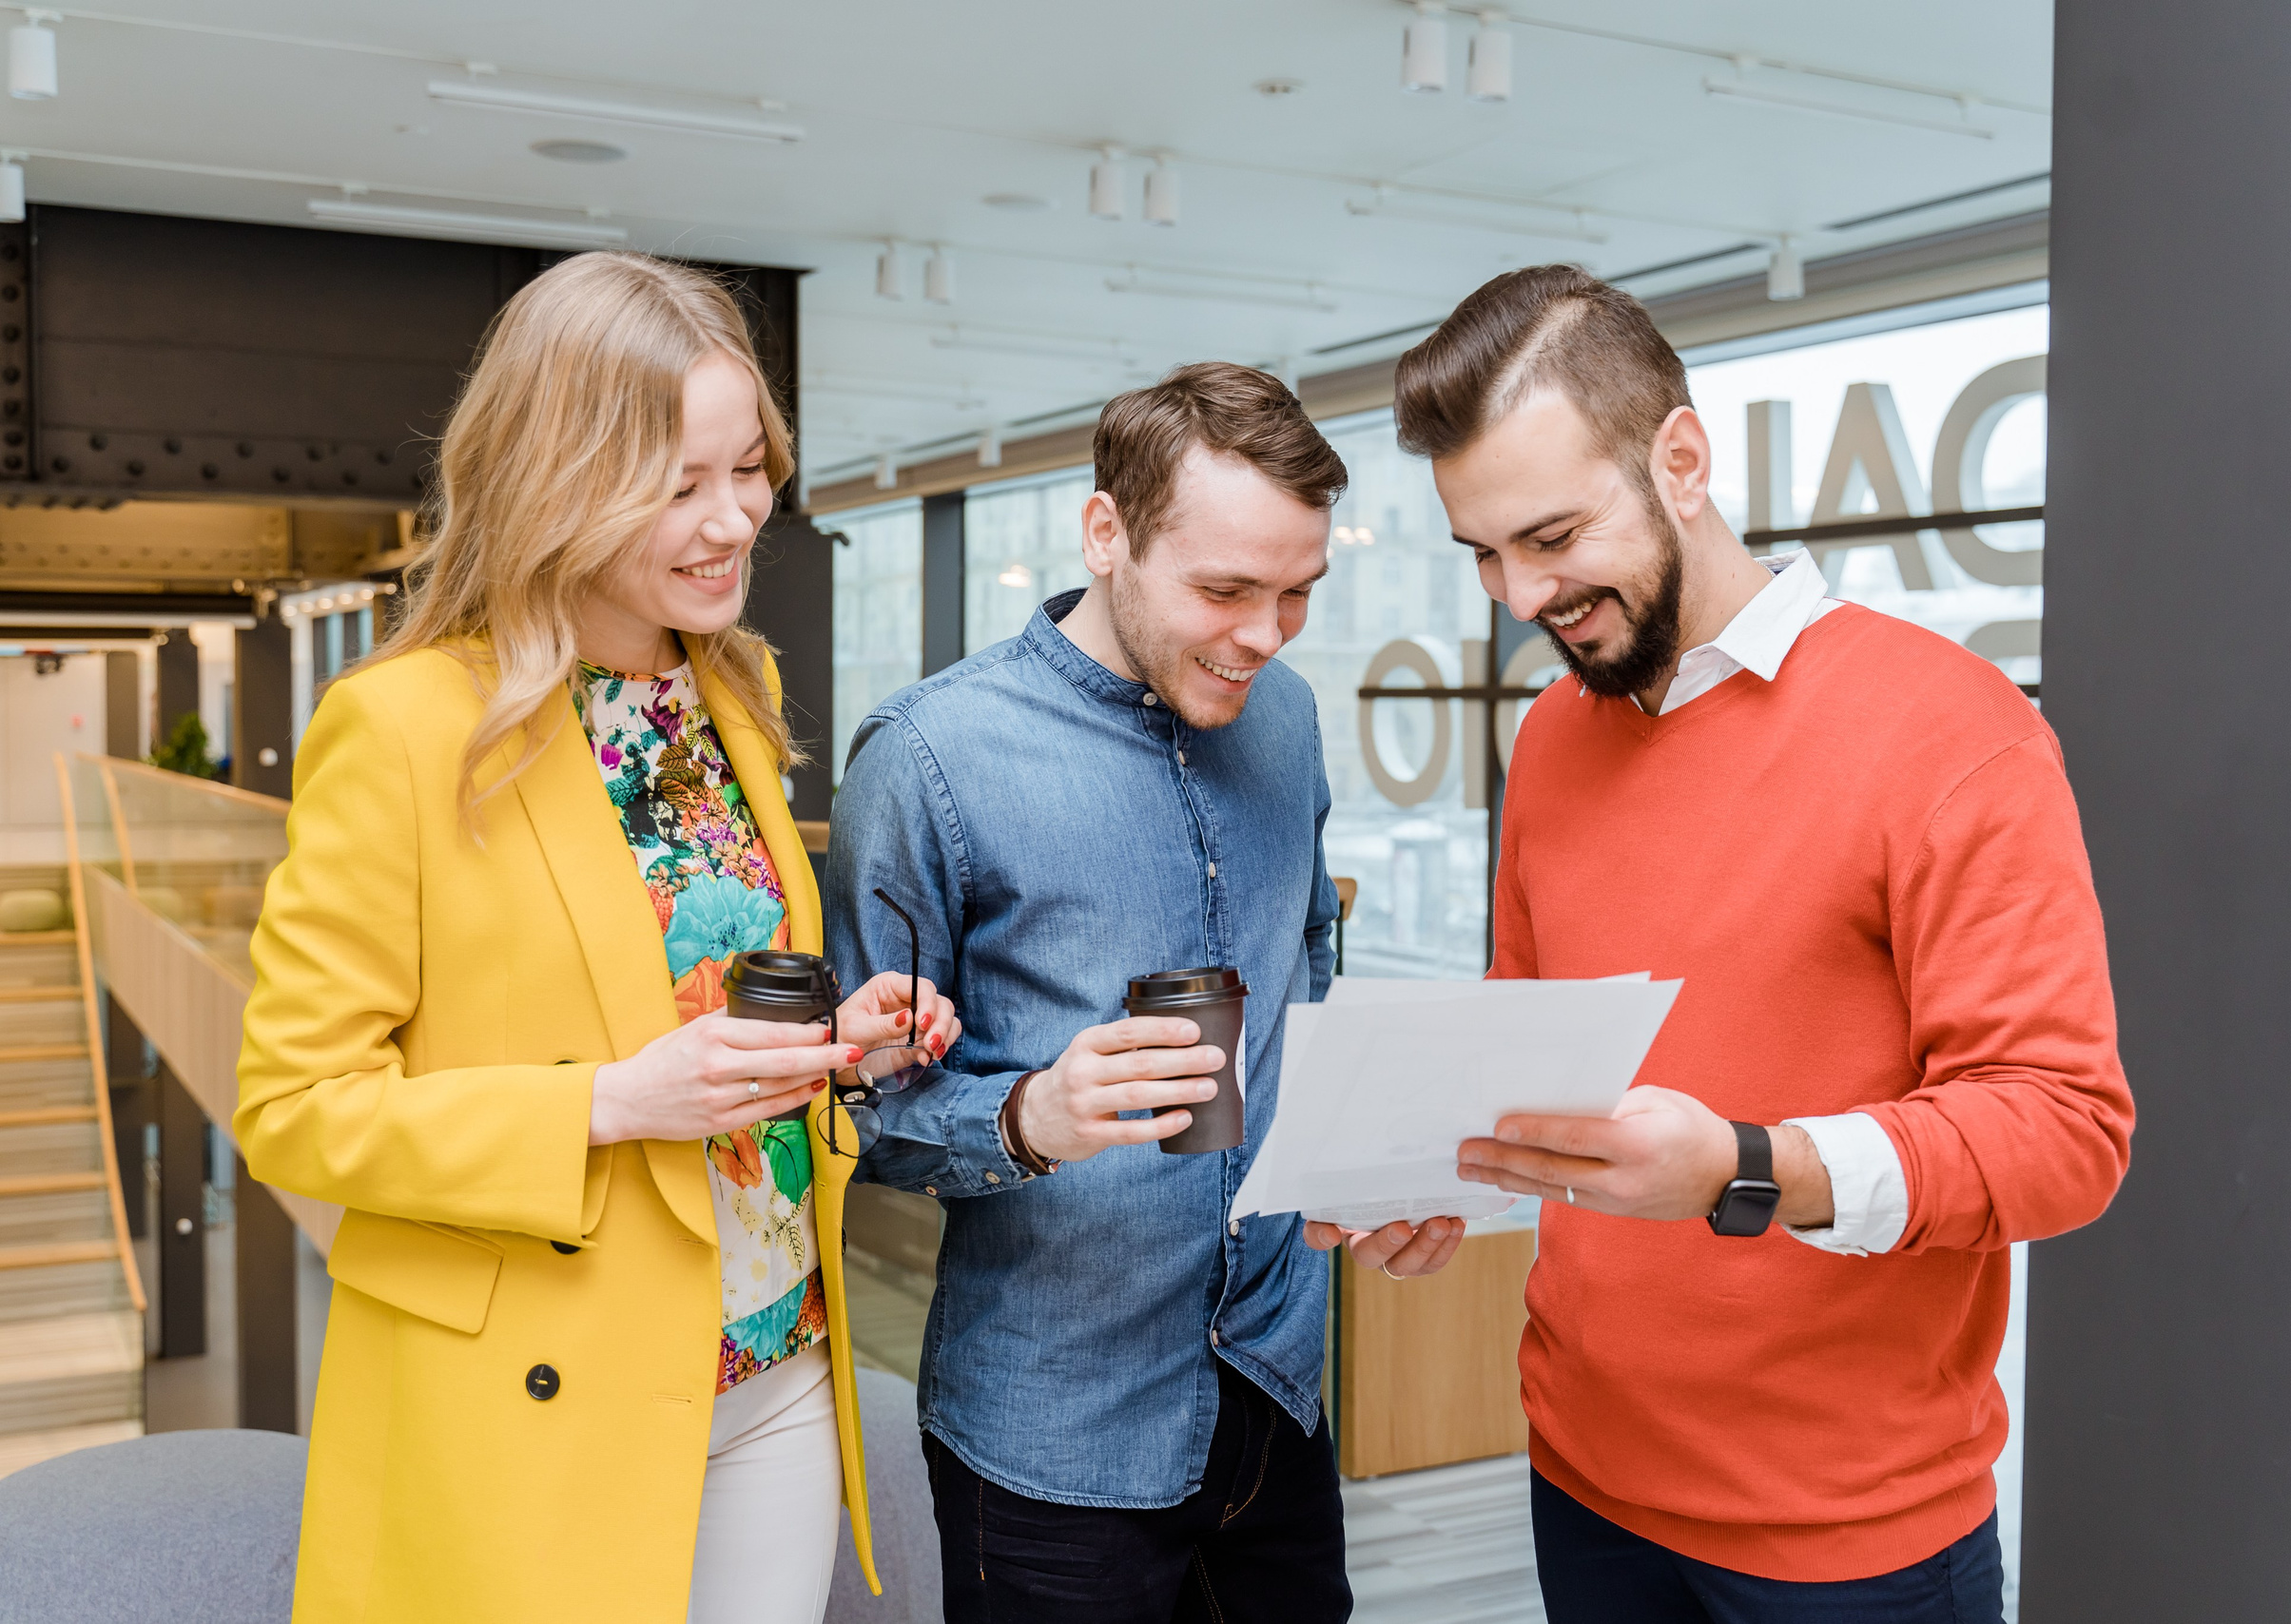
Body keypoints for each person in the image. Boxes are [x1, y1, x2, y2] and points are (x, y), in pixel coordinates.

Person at [1399, 266, 2135, 1621]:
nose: (1517, 597)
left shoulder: (1954, 734)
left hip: (1851, 1539)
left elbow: (2064, 1132)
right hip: (1580, 1470)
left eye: (1553, 536)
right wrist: (1440, 1166)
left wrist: (1749, 1168)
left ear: (1681, 459)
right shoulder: (1554, 736)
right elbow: (1530, 1036)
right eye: (1484, 554)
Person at [234, 252, 960, 1624]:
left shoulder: (731, 690)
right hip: (546, 1387)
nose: (736, 516)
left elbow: (696, 1000)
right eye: (678, 485)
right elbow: (293, 1109)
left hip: (776, 1356)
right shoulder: (403, 730)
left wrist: (830, 1049)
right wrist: (610, 1104)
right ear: (551, 482)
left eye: (749, 467)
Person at [825, 362, 1461, 1622]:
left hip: (1275, 1393)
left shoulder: (1286, 722)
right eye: (1225, 591)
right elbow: (853, 1113)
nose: (1265, 637)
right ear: (1105, 534)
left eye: (1296, 593)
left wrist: (1359, 1170)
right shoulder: (929, 760)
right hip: (1056, 1434)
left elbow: (1302, 995)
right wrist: (1025, 1121)